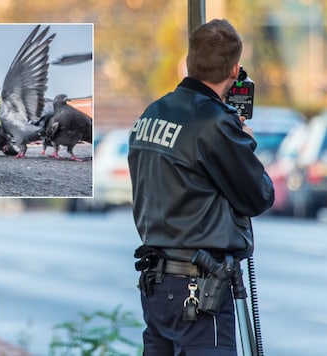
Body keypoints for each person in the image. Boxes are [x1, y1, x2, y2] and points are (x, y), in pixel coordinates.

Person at [127, 19, 274, 355]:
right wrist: (243, 139)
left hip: (157, 282)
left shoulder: (151, 114)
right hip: (198, 290)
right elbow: (259, 195)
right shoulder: (213, 123)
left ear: (190, 61)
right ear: (236, 69)